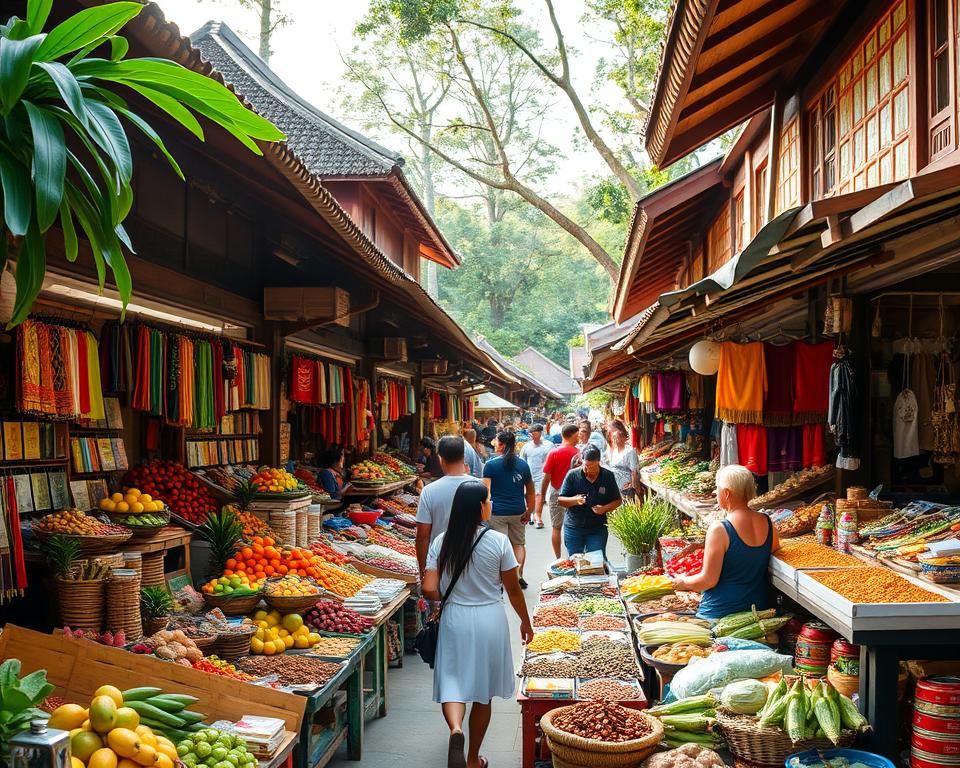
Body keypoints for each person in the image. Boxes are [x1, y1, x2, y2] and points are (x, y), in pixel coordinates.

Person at [423, 481, 533, 768]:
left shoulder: (441, 542)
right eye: (488, 500)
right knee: (483, 693)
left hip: (454, 618)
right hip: (489, 618)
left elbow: (428, 587)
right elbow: (512, 590)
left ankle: (456, 730)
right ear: (479, 507)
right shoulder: (498, 542)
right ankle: (472, 759)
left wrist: (442, 600)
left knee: (453, 684)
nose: (491, 504)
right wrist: (525, 621)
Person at [671, 464, 781, 619]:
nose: (715, 492)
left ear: (727, 493)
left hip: (721, 614)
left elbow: (708, 580)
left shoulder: (720, 529)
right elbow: (769, 551)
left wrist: (683, 582)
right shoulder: (767, 522)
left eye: (718, 488)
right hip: (757, 611)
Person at [415, 436, 484, 574]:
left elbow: (422, 535)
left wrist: (423, 569)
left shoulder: (429, 491)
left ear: (440, 458)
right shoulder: (480, 486)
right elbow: (485, 522)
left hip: (440, 559)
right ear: (463, 456)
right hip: (474, 557)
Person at [482, 431, 535, 589]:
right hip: (518, 511)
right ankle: (518, 575)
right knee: (518, 544)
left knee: (500, 546)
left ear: (503, 445)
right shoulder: (523, 465)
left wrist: (483, 513)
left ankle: (501, 579)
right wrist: (529, 510)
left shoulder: (490, 465)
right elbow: (531, 491)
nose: (494, 444)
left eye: (496, 442)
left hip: (497, 512)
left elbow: (485, 492)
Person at [558, 444, 622, 558]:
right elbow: (561, 500)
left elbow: (617, 500)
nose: (589, 469)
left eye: (592, 466)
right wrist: (575, 500)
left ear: (599, 462)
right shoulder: (573, 475)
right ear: (582, 461)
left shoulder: (608, 476)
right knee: (574, 561)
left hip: (597, 528)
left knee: (596, 561)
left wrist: (604, 509)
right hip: (574, 527)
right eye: (586, 465)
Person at [537, 423, 581, 558]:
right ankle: (575, 557)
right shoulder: (579, 454)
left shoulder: (554, 453)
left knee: (556, 527)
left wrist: (543, 494)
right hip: (575, 495)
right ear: (574, 436)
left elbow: (547, 477)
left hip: (556, 492)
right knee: (575, 527)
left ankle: (558, 559)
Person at [520, 424, 553, 529]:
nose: (532, 435)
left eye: (534, 433)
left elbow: (553, 460)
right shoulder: (526, 447)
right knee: (529, 495)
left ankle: (538, 517)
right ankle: (530, 514)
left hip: (543, 475)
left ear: (540, 433)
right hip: (529, 476)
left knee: (539, 494)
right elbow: (522, 461)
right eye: (531, 433)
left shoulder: (549, 445)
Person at [605, 419, 640, 500]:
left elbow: (635, 472)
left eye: (614, 431)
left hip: (625, 490)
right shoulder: (612, 451)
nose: (613, 435)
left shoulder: (630, 451)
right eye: (610, 433)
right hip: (614, 489)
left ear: (622, 433)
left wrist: (633, 486)